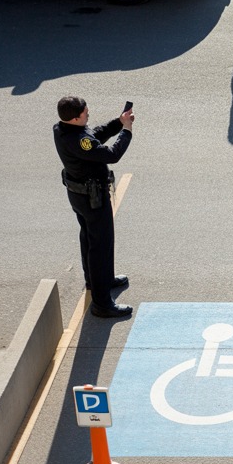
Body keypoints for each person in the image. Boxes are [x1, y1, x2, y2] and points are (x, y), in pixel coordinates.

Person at [54, 97, 135, 317]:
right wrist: (126, 131)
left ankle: (99, 280)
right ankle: (102, 304)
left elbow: (94, 135)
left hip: (79, 195)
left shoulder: (62, 129)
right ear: (75, 117)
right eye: (85, 112)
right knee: (100, 245)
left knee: (89, 238)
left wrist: (118, 122)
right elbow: (112, 155)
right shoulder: (78, 139)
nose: (88, 114)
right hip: (93, 199)